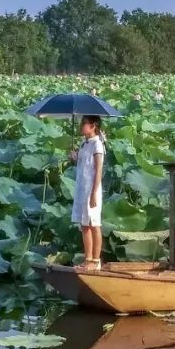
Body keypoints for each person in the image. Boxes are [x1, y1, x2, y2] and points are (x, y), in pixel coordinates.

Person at [70, 115, 106, 270]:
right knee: (84, 224)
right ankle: (88, 259)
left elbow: (98, 171)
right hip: (81, 189)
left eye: (84, 123)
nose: (81, 126)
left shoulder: (98, 145)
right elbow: (82, 165)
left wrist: (93, 193)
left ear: (93, 126)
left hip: (92, 189)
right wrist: (74, 158)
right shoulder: (84, 144)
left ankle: (96, 261)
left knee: (94, 224)